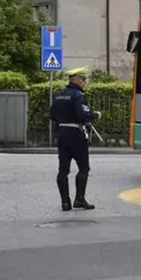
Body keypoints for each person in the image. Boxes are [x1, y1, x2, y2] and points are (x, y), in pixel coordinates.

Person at [49, 67, 101, 211]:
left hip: (62, 133)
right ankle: (80, 199)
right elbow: (83, 115)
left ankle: (65, 202)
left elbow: (52, 114)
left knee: (63, 169)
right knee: (84, 168)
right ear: (76, 79)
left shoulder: (59, 95)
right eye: (83, 79)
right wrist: (94, 115)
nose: (84, 82)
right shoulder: (78, 95)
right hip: (76, 134)